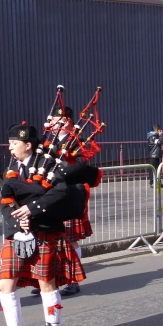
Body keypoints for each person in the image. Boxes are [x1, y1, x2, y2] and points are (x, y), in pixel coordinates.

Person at [0, 122, 85, 326]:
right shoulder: (11, 169)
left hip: (45, 230)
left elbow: (61, 191)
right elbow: (6, 200)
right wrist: (18, 220)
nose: (10, 148)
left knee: (47, 283)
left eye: (14, 143)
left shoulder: (50, 165)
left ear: (28, 144)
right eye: (10, 143)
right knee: (6, 283)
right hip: (18, 233)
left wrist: (31, 210)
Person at [50, 106, 90, 297]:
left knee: (70, 240)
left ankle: (73, 280)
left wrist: (57, 171)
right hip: (51, 195)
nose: (53, 123)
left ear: (67, 122)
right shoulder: (50, 141)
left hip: (70, 193)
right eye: (53, 121)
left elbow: (80, 166)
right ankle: (53, 279)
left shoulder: (76, 140)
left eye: (58, 121)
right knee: (52, 238)